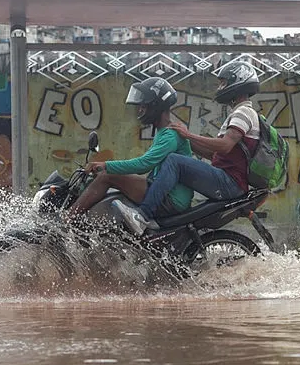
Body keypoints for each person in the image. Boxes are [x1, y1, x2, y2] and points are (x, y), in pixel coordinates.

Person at [113, 61, 260, 236]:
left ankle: (143, 216)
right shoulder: (240, 113)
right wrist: (184, 141)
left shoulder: (243, 112)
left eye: (224, 83)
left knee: (174, 161)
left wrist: (188, 135)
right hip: (227, 179)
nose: (220, 87)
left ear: (239, 82)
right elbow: (215, 155)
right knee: (177, 160)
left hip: (229, 183)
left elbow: (225, 146)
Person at [67, 77, 193, 225]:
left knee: (107, 176)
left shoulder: (170, 135)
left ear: (156, 105)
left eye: (143, 106)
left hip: (171, 199)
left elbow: (143, 165)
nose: (140, 109)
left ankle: (68, 219)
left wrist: (105, 165)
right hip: (162, 190)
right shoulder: (163, 131)